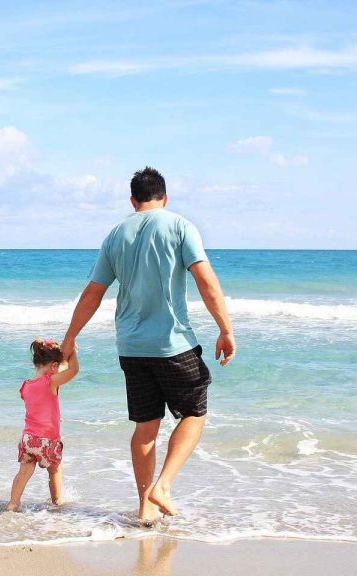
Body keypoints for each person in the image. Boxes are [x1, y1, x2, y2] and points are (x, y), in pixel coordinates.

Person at [61, 166, 236, 525]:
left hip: (131, 346)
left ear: (132, 200)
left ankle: (145, 507)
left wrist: (70, 336)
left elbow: (94, 292)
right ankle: (164, 486)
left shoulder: (115, 235)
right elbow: (205, 280)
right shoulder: (179, 225)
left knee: (145, 427)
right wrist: (225, 329)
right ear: (165, 197)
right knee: (194, 414)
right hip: (172, 344)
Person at [6, 338, 80, 512]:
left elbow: (54, 372)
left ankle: (13, 504)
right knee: (54, 470)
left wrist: (60, 359)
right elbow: (74, 370)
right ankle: (57, 502)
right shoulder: (51, 382)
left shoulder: (25, 386)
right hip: (47, 440)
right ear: (53, 367)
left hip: (28, 439)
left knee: (24, 471)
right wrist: (73, 351)